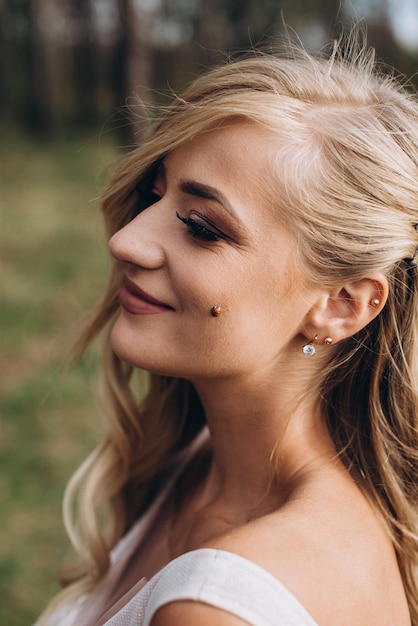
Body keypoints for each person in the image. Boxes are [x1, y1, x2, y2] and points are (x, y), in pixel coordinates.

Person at [38, 32, 418, 626]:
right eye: (154, 195)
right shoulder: (198, 459)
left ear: (342, 304)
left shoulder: (215, 607)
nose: (126, 240)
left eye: (202, 226)